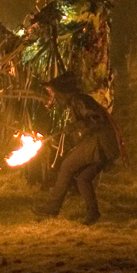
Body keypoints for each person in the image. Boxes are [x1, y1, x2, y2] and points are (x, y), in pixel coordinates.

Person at [32, 72, 123, 226]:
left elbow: (96, 119)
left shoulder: (79, 100)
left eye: (54, 93)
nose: (53, 97)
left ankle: (51, 208)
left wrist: (75, 126)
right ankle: (93, 214)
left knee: (67, 165)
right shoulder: (76, 102)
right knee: (83, 179)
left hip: (101, 143)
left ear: (62, 92)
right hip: (105, 145)